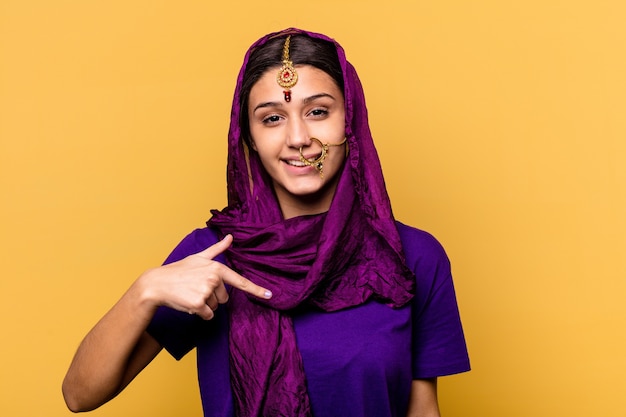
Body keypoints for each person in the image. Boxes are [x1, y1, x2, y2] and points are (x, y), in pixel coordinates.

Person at [62, 28, 470, 417]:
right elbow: (80, 395)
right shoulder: (211, 256)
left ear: (351, 122)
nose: (297, 137)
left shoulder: (411, 256)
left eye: (317, 111)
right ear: (250, 138)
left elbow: (422, 409)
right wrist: (144, 290)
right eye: (272, 118)